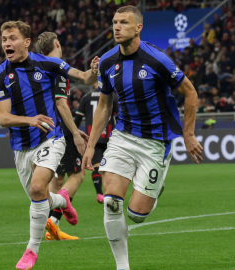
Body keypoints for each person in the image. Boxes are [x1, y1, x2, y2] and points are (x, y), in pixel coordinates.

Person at [81, 6, 203, 270]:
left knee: (136, 215)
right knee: (112, 202)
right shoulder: (106, 62)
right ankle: (122, 266)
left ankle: (155, 188)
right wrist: (90, 147)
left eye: (124, 22)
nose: (116, 27)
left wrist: (189, 133)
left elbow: (190, 92)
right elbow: (103, 105)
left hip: (155, 142)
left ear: (138, 28)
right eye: (114, 22)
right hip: (123, 136)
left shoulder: (157, 60)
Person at [0, 21, 97, 270]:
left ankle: (31, 251)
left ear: (26, 42)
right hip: (21, 147)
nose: (7, 43)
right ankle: (63, 201)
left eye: (12, 38)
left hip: (51, 138)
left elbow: (84, 77)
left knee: (38, 187)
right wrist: (30, 119)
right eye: (4, 39)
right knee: (40, 196)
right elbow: (3, 118)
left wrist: (93, 70)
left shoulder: (47, 63)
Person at [36, 31, 99, 241]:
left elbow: (86, 78)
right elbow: (61, 104)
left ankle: (51, 226)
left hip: (42, 127)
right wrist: (74, 133)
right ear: (56, 44)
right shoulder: (58, 67)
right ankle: (60, 206)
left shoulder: (37, 66)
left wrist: (92, 70)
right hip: (58, 128)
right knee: (79, 173)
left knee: (58, 176)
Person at [75, 85, 118, 204]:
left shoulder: (86, 97)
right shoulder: (112, 97)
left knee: (97, 164)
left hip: (93, 136)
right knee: (110, 167)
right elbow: (119, 117)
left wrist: (74, 134)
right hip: (110, 136)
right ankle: (109, 193)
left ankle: (99, 193)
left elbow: (77, 119)